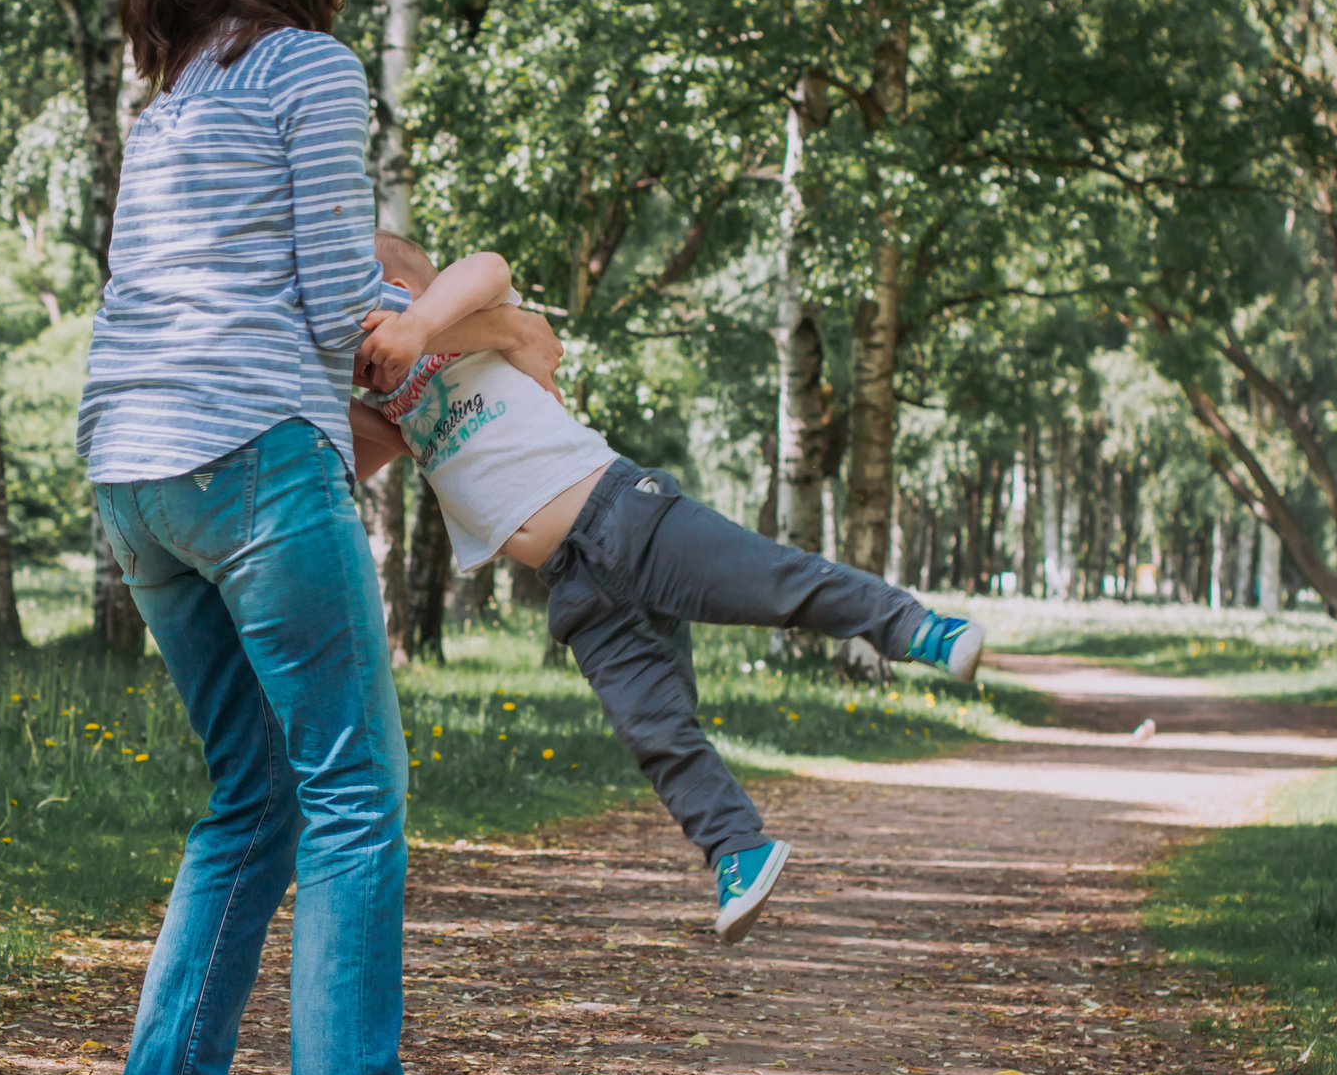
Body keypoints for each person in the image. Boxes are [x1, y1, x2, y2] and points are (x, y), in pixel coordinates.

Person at [79, 0, 542, 1075]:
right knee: (351, 790)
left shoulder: (169, 103)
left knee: (256, 789)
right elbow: (352, 305)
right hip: (252, 463)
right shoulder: (311, 69)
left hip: (131, 471)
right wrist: (478, 322)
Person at [352, 231, 987, 943]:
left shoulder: (464, 326)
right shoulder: (397, 405)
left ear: (396, 295)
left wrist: (416, 327)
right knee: (653, 728)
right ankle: (737, 849)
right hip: (575, 586)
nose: (355, 352)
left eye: (353, 316)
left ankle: (917, 628)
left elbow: (488, 266)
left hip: (626, 517)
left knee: (775, 583)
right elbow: (348, 448)